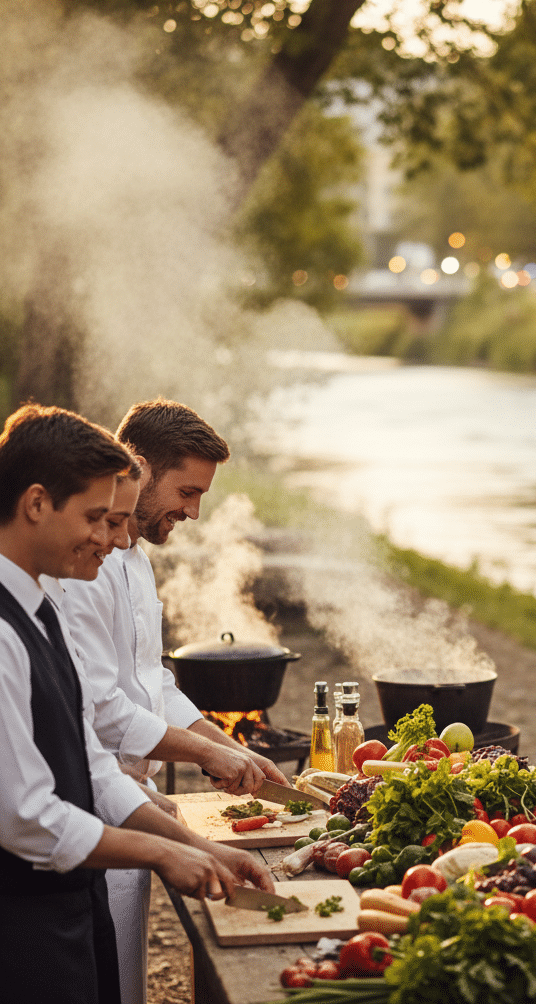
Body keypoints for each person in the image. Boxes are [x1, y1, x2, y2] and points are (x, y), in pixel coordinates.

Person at [0, 404, 273, 1004]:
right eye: (98, 519)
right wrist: (161, 848)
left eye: (116, 522)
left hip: (80, 876)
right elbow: (24, 815)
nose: (113, 539)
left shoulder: (42, 608)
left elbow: (92, 760)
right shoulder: (14, 624)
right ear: (37, 504)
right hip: (21, 913)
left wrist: (195, 843)